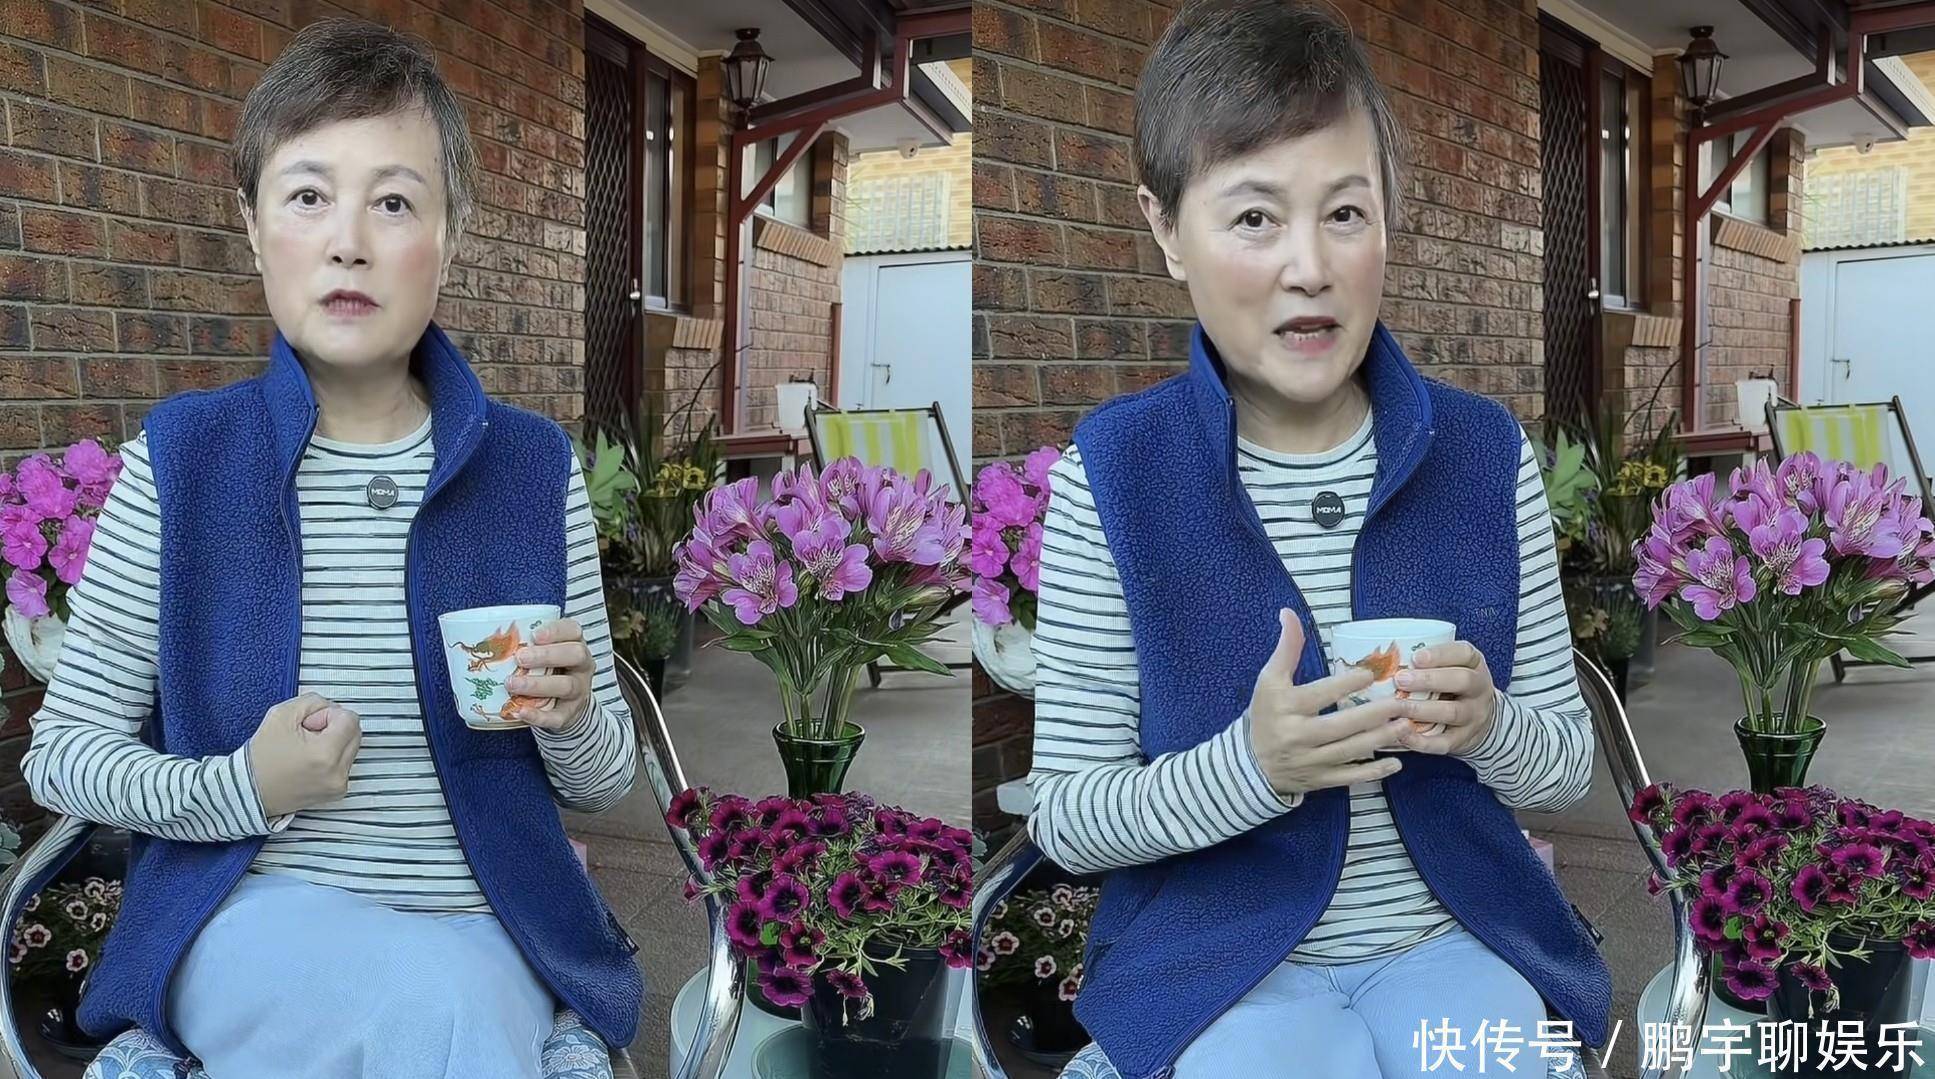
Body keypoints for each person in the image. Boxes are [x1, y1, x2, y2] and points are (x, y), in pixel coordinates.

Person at [21, 18, 640, 1078]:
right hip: (243, 920)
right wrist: (245, 784)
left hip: (490, 927)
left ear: (451, 234)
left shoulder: (532, 469)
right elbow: (63, 754)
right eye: (308, 195)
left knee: (449, 1005)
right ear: (254, 227)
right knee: (438, 1018)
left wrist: (575, 712)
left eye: (394, 202)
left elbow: (605, 779)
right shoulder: (181, 463)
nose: (349, 241)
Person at [1021, 2, 1612, 1076]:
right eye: (1254, 217)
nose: (1310, 266)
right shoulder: (1112, 476)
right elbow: (1067, 817)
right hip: (1220, 960)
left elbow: (1565, 765)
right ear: (1166, 230)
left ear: (1388, 218)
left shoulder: (1485, 455)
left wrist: (1486, 722)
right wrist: (1255, 765)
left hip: (1451, 937)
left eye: (1345, 212)